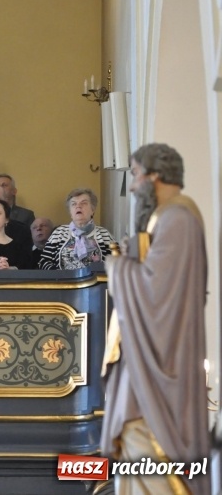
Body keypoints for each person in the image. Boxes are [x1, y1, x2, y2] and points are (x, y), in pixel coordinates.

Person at [101, 144, 210, 495]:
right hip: (146, 350)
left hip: (160, 361)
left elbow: (157, 294)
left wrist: (117, 266)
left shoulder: (178, 218)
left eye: (134, 175)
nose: (132, 186)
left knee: (146, 445)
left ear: (155, 176)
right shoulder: (167, 216)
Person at [38, 188, 116, 270]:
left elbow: (116, 263)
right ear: (70, 212)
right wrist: (59, 276)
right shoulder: (59, 233)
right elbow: (44, 261)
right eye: (74, 204)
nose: (78, 206)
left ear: (92, 210)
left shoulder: (104, 234)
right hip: (62, 281)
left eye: (84, 203)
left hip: (95, 281)